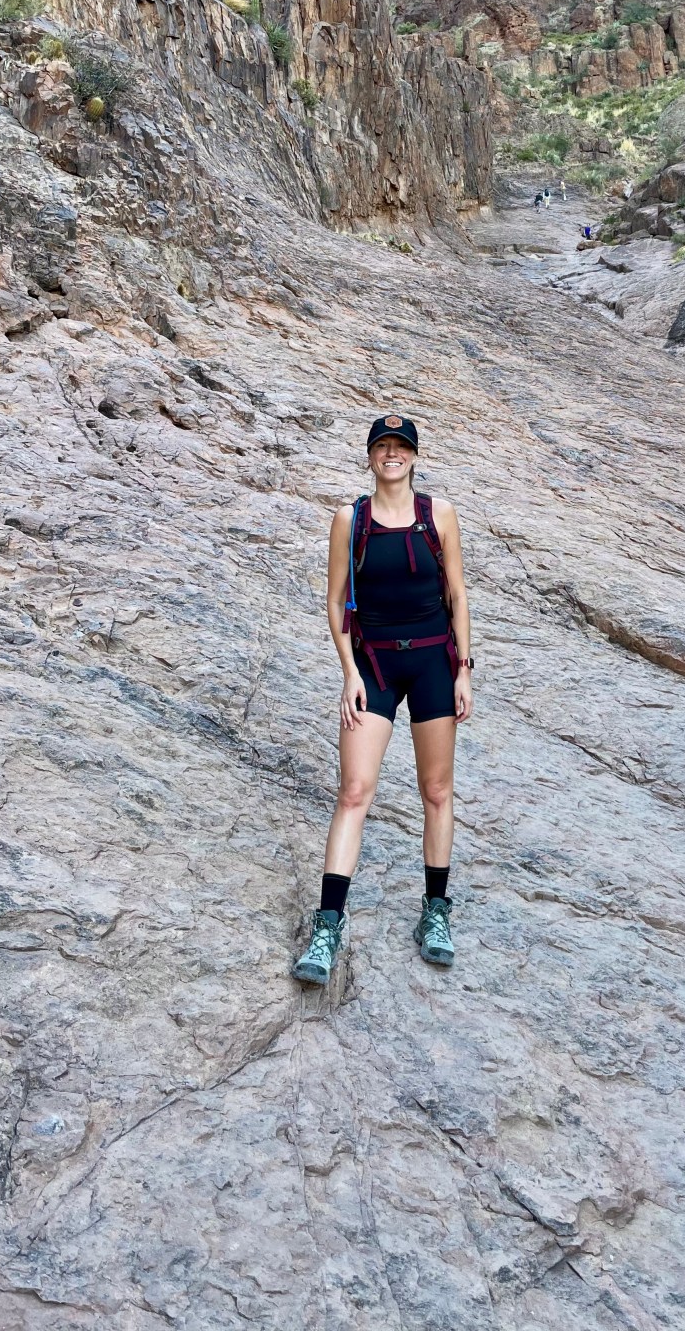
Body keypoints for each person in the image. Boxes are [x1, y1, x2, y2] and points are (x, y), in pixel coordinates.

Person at [293, 414, 474, 985]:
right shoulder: (350, 519)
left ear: (414, 456)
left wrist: (464, 669)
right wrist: (348, 672)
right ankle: (327, 926)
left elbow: (457, 593)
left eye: (401, 447)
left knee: (437, 791)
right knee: (353, 792)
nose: (391, 455)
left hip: (431, 662)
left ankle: (436, 914)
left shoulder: (437, 514)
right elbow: (335, 600)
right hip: (372, 663)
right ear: (370, 456)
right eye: (382, 447)